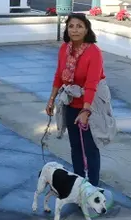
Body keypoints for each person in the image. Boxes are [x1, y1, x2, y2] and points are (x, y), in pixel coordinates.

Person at [45, 13, 105, 186]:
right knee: (75, 147)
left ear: (87, 29)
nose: (75, 30)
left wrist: (86, 110)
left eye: (79, 26)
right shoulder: (64, 48)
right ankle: (79, 185)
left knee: (90, 148)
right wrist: (51, 99)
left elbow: (92, 83)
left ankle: (93, 188)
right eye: (71, 26)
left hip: (90, 102)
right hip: (70, 102)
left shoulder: (94, 52)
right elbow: (58, 75)